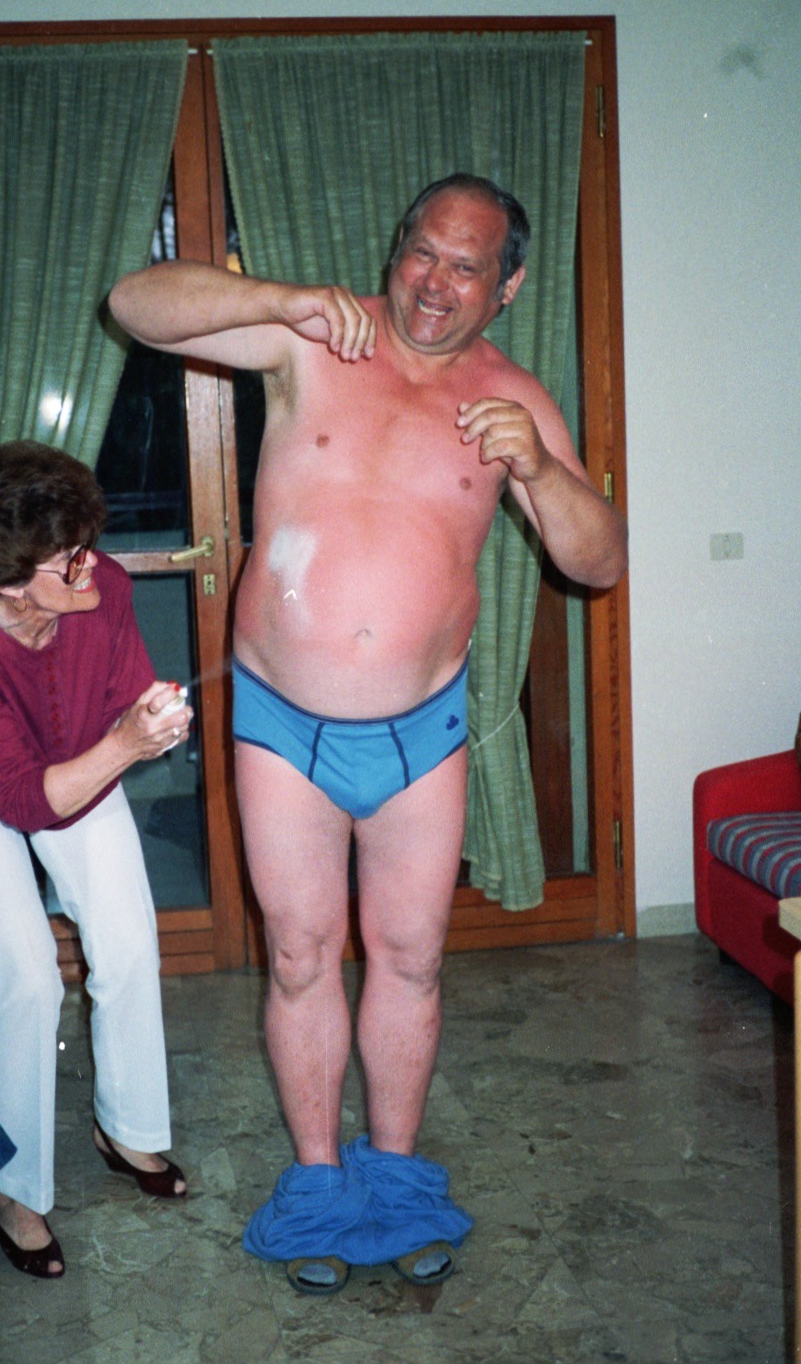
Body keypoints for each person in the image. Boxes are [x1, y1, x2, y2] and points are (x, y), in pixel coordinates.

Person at [109, 173, 627, 1292]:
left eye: (466, 265)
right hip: (279, 723)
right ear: (398, 249)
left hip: (421, 732)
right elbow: (133, 304)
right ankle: (314, 1181)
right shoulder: (318, 345)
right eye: (422, 252)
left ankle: (391, 1174)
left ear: (507, 285)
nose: (433, 282)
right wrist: (287, 298)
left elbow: (597, 560)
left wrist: (535, 467)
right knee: (299, 957)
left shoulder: (513, 401)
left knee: (410, 958)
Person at [0, 441, 192, 1280]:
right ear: (9, 578)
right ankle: (15, 1187)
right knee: (26, 975)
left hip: (74, 766)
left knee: (130, 941)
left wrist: (154, 719)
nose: (89, 559)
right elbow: (16, 797)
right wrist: (123, 746)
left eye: (86, 538)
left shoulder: (107, 593)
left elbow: (124, 694)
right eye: (67, 555)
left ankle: (128, 1129)